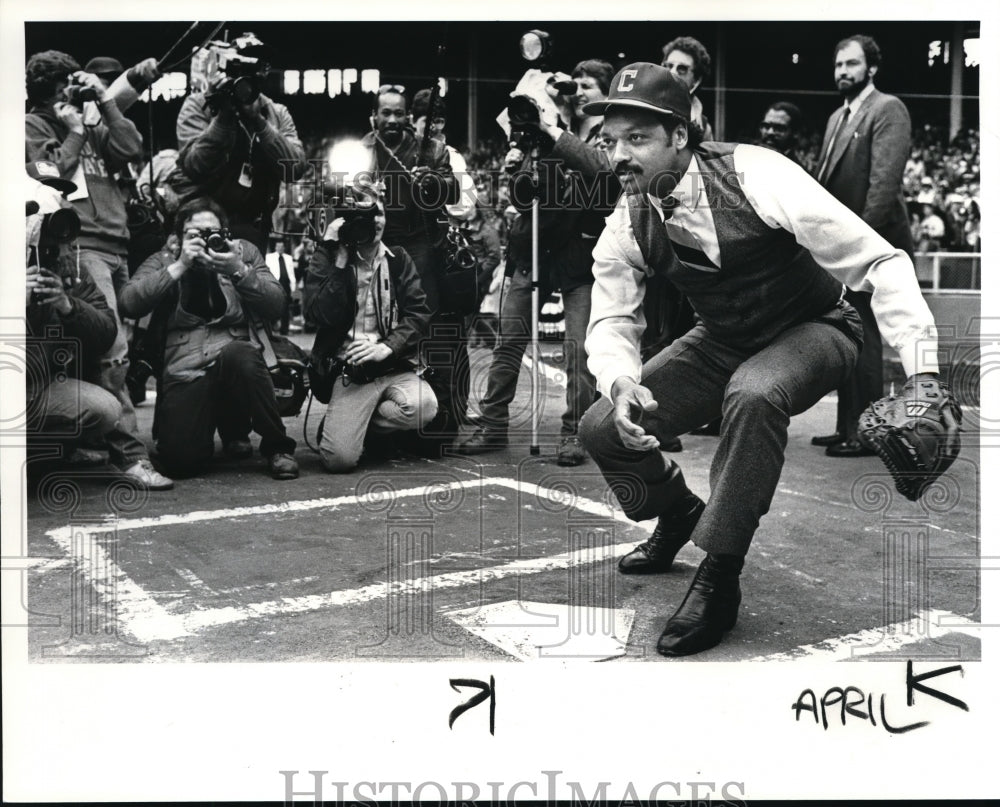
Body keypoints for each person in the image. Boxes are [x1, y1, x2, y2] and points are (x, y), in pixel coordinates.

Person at [578, 62, 941, 656]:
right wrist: (620, 383)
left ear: (681, 134)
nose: (618, 155)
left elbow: (879, 260)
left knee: (754, 392)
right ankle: (676, 514)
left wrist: (922, 368)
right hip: (723, 338)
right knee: (603, 426)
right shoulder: (626, 220)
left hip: (816, 326)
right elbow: (613, 318)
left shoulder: (756, 172)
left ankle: (720, 574)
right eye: (610, 140)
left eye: (636, 137)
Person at [25, 50, 173, 490]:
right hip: (79, 243)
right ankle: (130, 457)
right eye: (70, 84)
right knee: (113, 353)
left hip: (117, 241)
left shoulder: (89, 120)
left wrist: (103, 102)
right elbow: (49, 178)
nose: (78, 88)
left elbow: (130, 148)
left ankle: (91, 442)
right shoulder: (32, 125)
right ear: (53, 90)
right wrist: (72, 130)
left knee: (109, 347)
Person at [457, 59, 615, 466]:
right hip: (533, 247)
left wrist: (552, 132)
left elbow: (601, 174)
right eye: (573, 86)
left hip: (579, 253)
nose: (578, 93)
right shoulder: (540, 127)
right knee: (509, 340)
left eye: (588, 87)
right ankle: (493, 423)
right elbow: (522, 195)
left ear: (606, 94)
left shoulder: (607, 134)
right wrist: (524, 152)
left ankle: (575, 431)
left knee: (577, 349)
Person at [118, 198, 298, 480]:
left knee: (243, 355)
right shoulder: (165, 258)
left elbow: (277, 304)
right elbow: (129, 303)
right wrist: (179, 266)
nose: (205, 240)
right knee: (180, 463)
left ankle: (277, 447)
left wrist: (237, 269)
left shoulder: (242, 252)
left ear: (225, 233)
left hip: (233, 356)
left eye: (212, 232)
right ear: (178, 236)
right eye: (195, 235)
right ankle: (218, 429)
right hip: (186, 369)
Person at [812, 35, 916, 458]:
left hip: (873, 241)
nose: (842, 72)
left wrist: (861, 245)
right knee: (849, 331)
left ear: (871, 68)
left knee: (867, 335)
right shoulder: (838, 116)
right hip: (845, 243)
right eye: (838, 64)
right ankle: (847, 426)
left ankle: (867, 433)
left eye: (851, 64)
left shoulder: (887, 108)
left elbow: (883, 187)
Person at [24, 162, 147, 486]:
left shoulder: (66, 264)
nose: (60, 205)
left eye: (64, 197)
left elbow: (106, 330)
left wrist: (67, 306)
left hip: (38, 387)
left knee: (104, 408)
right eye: (49, 195)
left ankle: (50, 453)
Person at [303, 186, 438, 472]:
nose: (373, 221)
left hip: (393, 366)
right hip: (350, 370)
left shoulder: (398, 258)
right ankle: (342, 427)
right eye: (363, 215)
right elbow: (318, 314)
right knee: (338, 460)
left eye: (378, 213)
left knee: (424, 406)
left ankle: (360, 426)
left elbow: (418, 313)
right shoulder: (328, 257)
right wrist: (338, 258)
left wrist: (386, 347)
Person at [360, 85, 461, 449]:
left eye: (397, 113)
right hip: (372, 245)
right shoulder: (360, 150)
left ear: (407, 116)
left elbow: (452, 190)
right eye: (384, 113)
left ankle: (439, 424)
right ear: (374, 115)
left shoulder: (430, 149)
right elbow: (331, 192)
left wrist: (432, 180)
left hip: (418, 246)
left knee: (428, 331)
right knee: (374, 328)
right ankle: (376, 412)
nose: (391, 120)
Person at [174, 36, 308, 253]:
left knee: (249, 285)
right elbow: (195, 166)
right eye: (245, 61)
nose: (254, 69)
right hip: (204, 225)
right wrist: (223, 118)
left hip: (253, 226)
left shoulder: (277, 113)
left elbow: (294, 168)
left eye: (261, 64)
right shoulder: (200, 105)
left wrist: (259, 122)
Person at [660, 36, 714, 140]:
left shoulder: (703, 128)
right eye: (669, 66)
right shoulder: (644, 105)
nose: (672, 72)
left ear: (696, 80)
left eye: (682, 69)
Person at [758, 101, 803, 166]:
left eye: (779, 128)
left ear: (795, 133)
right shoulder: (746, 157)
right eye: (766, 126)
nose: (770, 132)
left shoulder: (798, 171)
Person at [264, 236, 293, 334]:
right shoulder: (269, 257)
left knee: (286, 308)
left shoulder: (289, 258)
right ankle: (272, 328)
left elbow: (291, 273)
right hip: (275, 284)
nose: (280, 248)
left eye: (282, 247)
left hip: (286, 285)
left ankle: (285, 329)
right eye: (278, 247)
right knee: (273, 306)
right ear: (275, 247)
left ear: (284, 248)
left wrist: (293, 285)